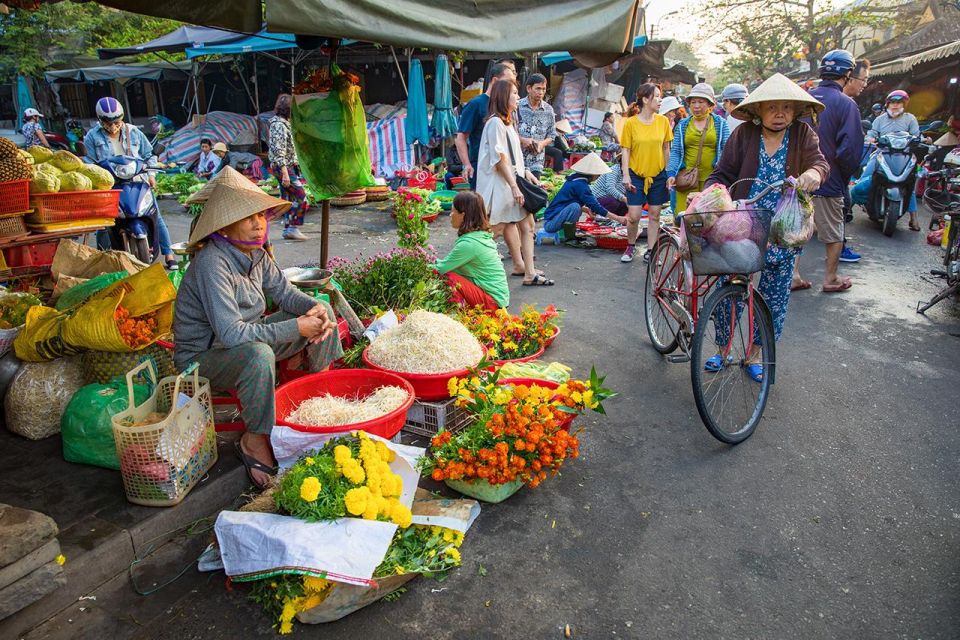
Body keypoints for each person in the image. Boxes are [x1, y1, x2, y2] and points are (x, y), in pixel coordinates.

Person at [173, 167, 343, 488]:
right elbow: (231, 334)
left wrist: (313, 308)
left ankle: (319, 401)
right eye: (248, 217)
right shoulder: (213, 263)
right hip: (204, 357)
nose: (258, 223)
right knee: (259, 355)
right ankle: (255, 437)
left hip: (243, 341)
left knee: (325, 314)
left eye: (261, 215)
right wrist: (297, 329)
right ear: (224, 226)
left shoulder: (257, 255)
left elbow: (283, 293)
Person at [703, 73, 829, 381]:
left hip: (785, 229)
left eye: (786, 107)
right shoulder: (744, 134)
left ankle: (756, 354)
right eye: (772, 107)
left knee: (774, 295)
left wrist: (814, 173)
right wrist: (711, 194)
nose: (780, 114)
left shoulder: (802, 133)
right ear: (759, 110)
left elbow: (821, 164)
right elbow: (722, 174)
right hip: (743, 224)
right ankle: (722, 349)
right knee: (729, 286)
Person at [793, 49, 864, 293]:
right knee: (834, 231)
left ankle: (794, 274)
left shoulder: (804, 100)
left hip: (800, 179)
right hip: (829, 179)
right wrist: (844, 176)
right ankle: (831, 278)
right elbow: (850, 149)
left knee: (799, 227)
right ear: (847, 73)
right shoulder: (846, 104)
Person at [84, 96, 177, 269]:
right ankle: (104, 261)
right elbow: (89, 161)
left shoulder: (134, 132)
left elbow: (150, 155)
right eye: (108, 123)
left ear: (122, 118)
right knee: (103, 225)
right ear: (100, 120)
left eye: (116, 122)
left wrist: (151, 175)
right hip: (110, 186)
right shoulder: (92, 136)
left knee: (155, 216)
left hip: (137, 181)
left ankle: (169, 255)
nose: (113, 127)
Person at [476, 79, 551, 286]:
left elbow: (512, 155)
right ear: (503, 97)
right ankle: (466, 267)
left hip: (509, 182)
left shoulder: (506, 123)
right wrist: (514, 186)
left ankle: (528, 271)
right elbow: (500, 159)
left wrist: (525, 172)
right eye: (514, 94)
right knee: (495, 230)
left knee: (526, 224)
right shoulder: (495, 123)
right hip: (501, 186)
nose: (518, 98)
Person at [619, 83, 674, 263]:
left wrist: (668, 173)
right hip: (635, 174)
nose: (660, 100)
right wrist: (626, 174)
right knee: (634, 216)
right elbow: (625, 150)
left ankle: (651, 250)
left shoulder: (663, 121)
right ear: (645, 99)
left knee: (655, 215)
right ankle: (631, 245)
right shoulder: (631, 123)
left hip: (658, 174)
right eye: (656, 96)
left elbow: (667, 148)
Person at [853, 89, 923, 231]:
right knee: (866, 177)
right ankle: (848, 207)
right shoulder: (880, 119)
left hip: (904, 156)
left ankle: (913, 218)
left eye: (899, 103)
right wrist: (870, 137)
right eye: (893, 103)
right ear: (888, 104)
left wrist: (922, 139)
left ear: (904, 104)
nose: (895, 106)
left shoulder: (910, 119)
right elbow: (871, 133)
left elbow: (917, 135)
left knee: (909, 182)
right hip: (882, 154)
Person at [435, 191, 509, 311]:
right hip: (498, 299)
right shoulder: (479, 235)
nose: (450, 215)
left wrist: (417, 265)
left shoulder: (469, 244)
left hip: (493, 303)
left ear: (463, 215)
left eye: (453, 211)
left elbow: (440, 269)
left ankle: (462, 315)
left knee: (447, 277)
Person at [666, 83, 731, 213]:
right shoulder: (683, 125)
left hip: (712, 181)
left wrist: (724, 174)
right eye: (693, 102)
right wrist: (671, 173)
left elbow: (727, 151)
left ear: (710, 105)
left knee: (708, 219)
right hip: (687, 181)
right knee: (684, 217)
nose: (696, 106)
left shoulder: (721, 124)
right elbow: (676, 152)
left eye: (701, 102)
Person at [456, 62, 517, 189]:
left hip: (504, 167)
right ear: (495, 81)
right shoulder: (476, 104)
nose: (512, 86)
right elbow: (461, 137)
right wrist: (467, 164)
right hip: (481, 166)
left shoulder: (507, 103)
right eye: (508, 81)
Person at [836, 58, 871, 264]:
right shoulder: (845, 104)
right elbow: (848, 147)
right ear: (849, 77)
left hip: (827, 172)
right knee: (841, 209)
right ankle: (833, 269)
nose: (864, 84)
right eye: (863, 79)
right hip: (833, 173)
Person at [268, 94, 309, 241]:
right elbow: (279, 150)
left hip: (286, 166)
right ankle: (293, 227)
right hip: (282, 167)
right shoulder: (278, 125)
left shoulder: (284, 123)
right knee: (300, 195)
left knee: (288, 198)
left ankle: (287, 229)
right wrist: (285, 173)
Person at [542, 153, 613, 234]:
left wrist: (585, 209)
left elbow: (567, 202)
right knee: (575, 207)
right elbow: (595, 206)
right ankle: (570, 236)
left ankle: (570, 233)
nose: (598, 176)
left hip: (552, 220)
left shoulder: (576, 179)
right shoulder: (580, 184)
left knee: (576, 206)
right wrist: (617, 218)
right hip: (550, 224)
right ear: (592, 174)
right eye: (598, 174)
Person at [517, 73, 557, 178]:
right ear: (529, 88)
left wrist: (541, 144)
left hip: (537, 161)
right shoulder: (517, 106)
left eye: (543, 89)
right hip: (517, 158)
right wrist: (523, 140)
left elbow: (552, 135)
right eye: (538, 88)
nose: (541, 92)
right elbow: (508, 131)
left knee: (534, 189)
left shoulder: (548, 110)